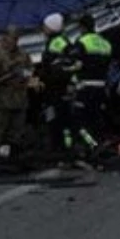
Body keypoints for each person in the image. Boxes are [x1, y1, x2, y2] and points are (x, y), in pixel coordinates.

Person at [69, 13, 112, 151]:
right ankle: (101, 144)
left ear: (82, 27)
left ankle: (90, 146)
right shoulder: (105, 42)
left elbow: (76, 64)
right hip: (102, 87)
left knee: (79, 120)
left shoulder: (82, 41)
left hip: (85, 87)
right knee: (97, 118)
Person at [0, 26, 32, 158]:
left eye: (16, 38)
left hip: (19, 97)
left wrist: (24, 76)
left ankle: (14, 152)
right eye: (11, 38)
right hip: (2, 99)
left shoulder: (23, 54)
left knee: (16, 129)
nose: (13, 41)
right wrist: (9, 71)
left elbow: (29, 70)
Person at [36, 12, 76, 153]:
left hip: (57, 90)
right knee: (58, 118)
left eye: (45, 26)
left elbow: (59, 65)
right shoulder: (58, 42)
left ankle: (60, 149)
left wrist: (47, 76)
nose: (43, 29)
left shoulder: (57, 43)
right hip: (56, 88)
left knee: (57, 120)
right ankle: (61, 147)